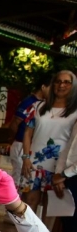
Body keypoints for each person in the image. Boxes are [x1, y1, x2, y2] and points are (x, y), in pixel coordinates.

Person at [21, 70, 77, 215]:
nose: (61, 85)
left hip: (58, 166)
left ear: (73, 86)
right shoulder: (37, 107)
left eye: (66, 82)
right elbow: (27, 133)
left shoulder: (75, 111)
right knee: (29, 203)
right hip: (33, 162)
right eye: (58, 81)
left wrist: (65, 171)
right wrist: (25, 157)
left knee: (51, 207)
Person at [45, 122, 77, 232]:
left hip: (72, 174)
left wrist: (64, 174)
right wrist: (59, 173)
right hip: (70, 176)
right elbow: (68, 148)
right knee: (70, 229)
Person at [8, 74, 52, 186]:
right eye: (51, 88)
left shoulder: (45, 104)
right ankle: (13, 202)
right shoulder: (29, 102)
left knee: (28, 181)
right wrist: (14, 141)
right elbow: (14, 124)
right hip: (21, 145)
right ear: (43, 87)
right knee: (19, 179)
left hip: (32, 148)